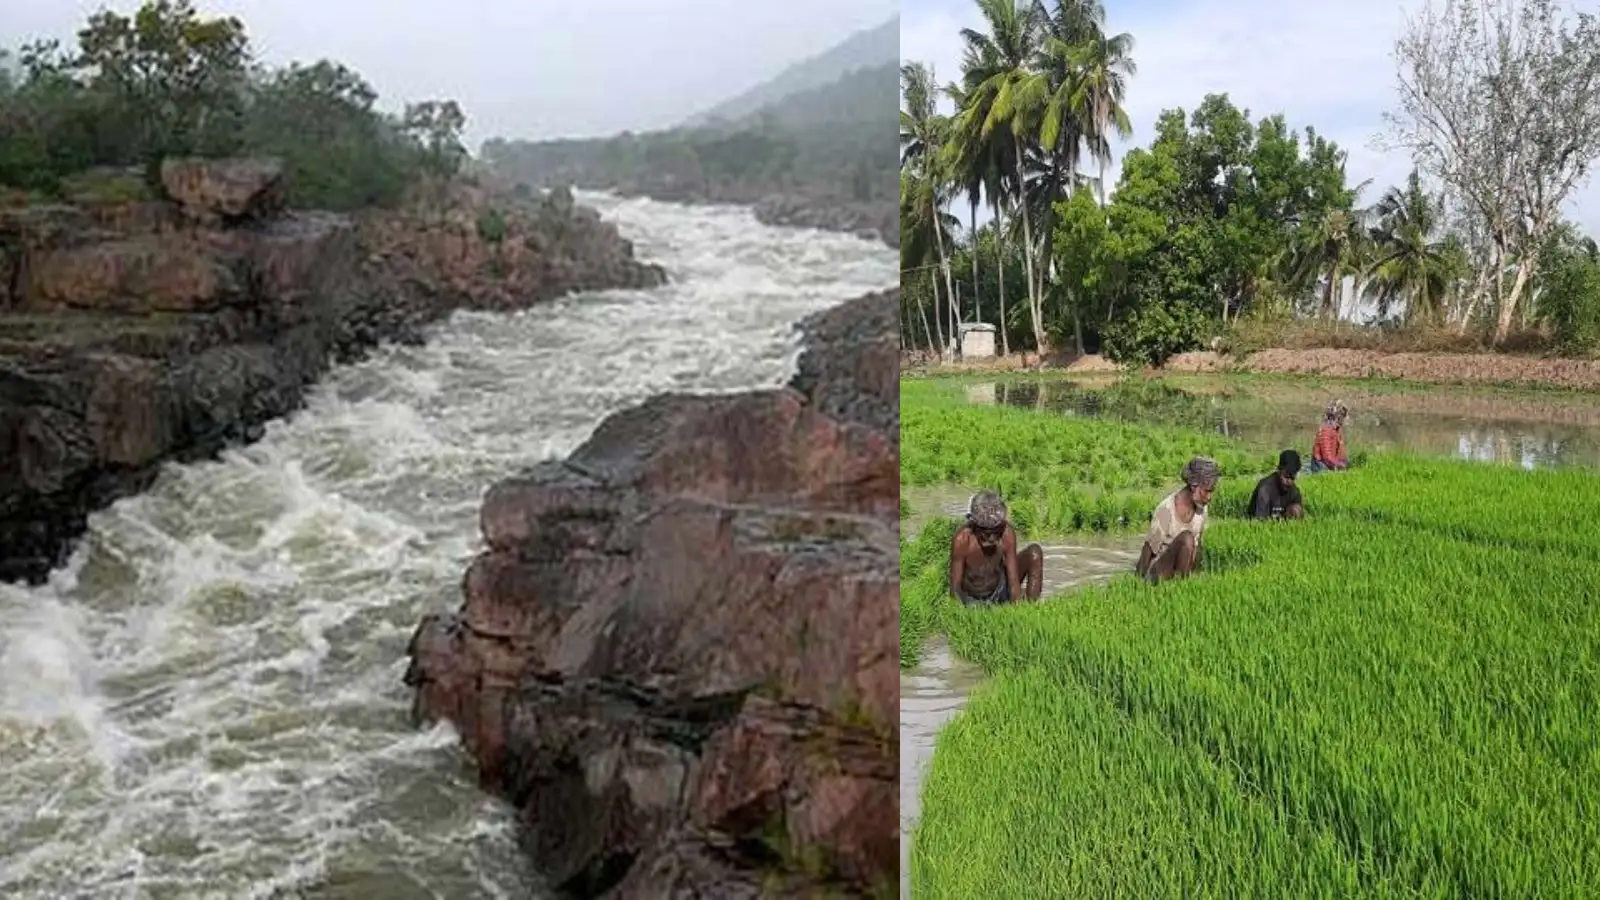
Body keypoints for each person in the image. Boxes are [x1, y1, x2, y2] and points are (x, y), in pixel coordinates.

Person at [948, 491, 1044, 604]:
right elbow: (955, 587)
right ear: (974, 526)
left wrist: (1017, 606)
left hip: (999, 589)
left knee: (1035, 552)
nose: (992, 538)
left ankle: (1032, 606)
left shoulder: (1006, 533)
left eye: (996, 532)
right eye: (986, 533)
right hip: (973, 598)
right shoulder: (962, 540)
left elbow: (1013, 580)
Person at [1136, 456, 1218, 584]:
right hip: (1160, 570)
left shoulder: (1202, 508)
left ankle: (1184, 585)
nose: (1209, 497)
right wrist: (1138, 583)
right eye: (1206, 491)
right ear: (1194, 486)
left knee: (1194, 543)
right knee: (1187, 538)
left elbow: (1198, 549)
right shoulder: (1166, 510)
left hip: (1182, 570)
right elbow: (1148, 549)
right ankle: (1180, 586)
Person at [1248, 450, 1305, 520]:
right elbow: (1260, 521)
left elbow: (1300, 515)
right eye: (1286, 477)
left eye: (1292, 478)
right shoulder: (1265, 489)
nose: (1289, 482)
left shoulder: (1294, 491)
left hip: (1281, 521)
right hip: (1263, 520)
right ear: (1279, 471)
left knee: (1296, 509)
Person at [1307, 400, 1349, 473]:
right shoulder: (1326, 430)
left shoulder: (1336, 429)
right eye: (1344, 415)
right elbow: (1327, 457)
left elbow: (1340, 454)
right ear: (1338, 416)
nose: (1345, 418)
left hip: (1330, 464)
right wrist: (1340, 466)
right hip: (1321, 467)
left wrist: (1344, 462)